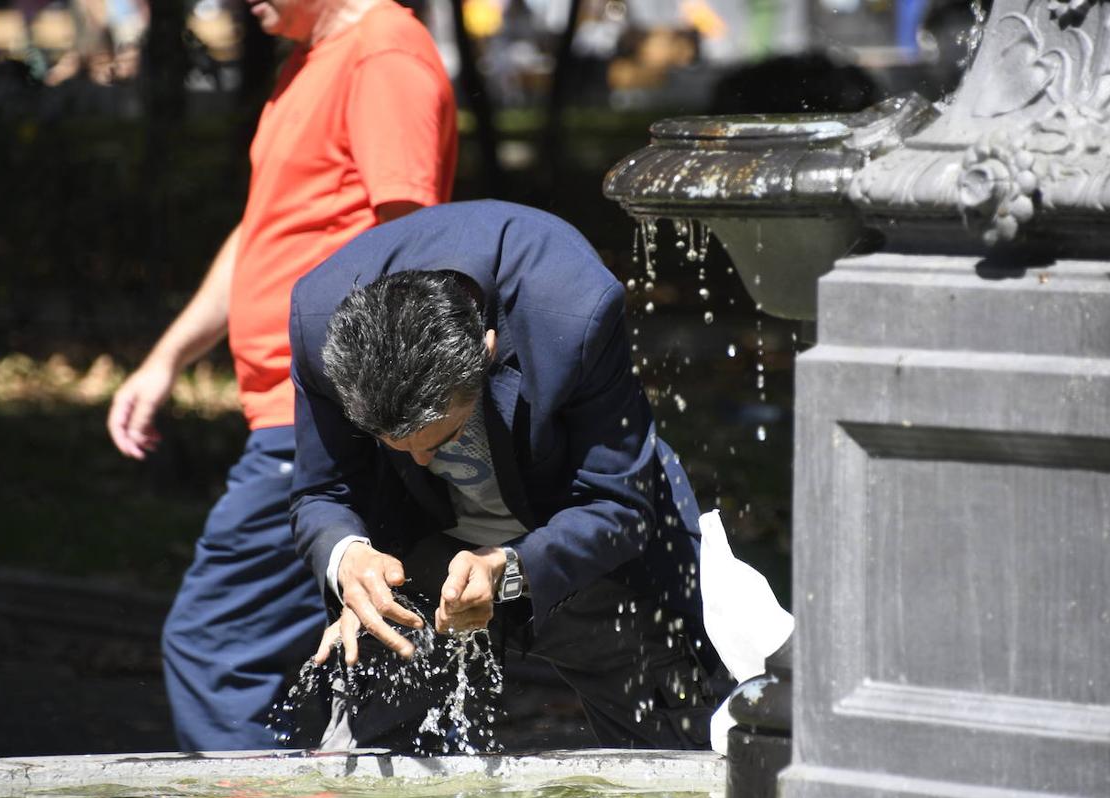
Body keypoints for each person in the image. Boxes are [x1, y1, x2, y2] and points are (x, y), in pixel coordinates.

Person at [106, 0, 457, 751]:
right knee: (343, 670)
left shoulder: (383, 52)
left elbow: (415, 241)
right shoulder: (306, 64)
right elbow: (264, 228)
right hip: (292, 411)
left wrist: (377, 425)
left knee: (215, 649)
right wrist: (167, 357)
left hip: (327, 416)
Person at [288, 200, 724, 750]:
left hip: (579, 551)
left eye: (442, 440)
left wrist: (508, 568)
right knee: (359, 786)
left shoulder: (575, 307)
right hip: (413, 563)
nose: (421, 461)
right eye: (394, 445)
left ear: (486, 354)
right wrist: (348, 555)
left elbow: (618, 502)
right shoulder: (316, 320)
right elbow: (322, 491)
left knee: (677, 773)